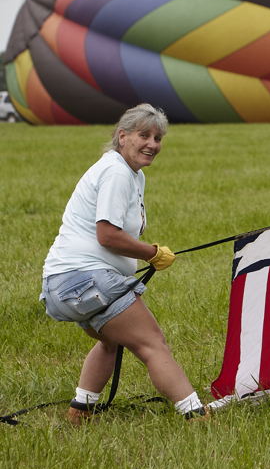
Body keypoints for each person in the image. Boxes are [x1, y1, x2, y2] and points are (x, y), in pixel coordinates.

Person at [40, 103, 208, 424]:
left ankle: (80, 411)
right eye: (143, 135)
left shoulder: (132, 174)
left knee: (111, 341)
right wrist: (151, 252)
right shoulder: (116, 172)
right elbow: (107, 235)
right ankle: (197, 416)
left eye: (158, 137)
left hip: (61, 284)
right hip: (84, 280)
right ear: (122, 137)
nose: (152, 144)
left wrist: (145, 255)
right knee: (152, 343)